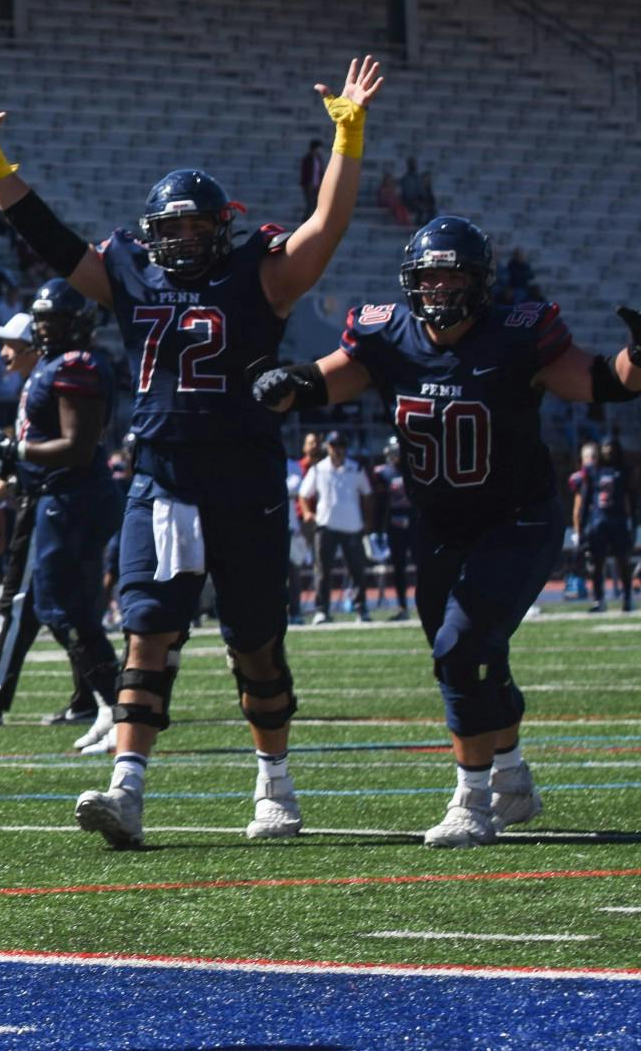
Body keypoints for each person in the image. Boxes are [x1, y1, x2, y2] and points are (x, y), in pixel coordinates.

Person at [0, 56, 385, 849]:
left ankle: (275, 780)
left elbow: (327, 229)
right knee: (149, 628)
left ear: (221, 227)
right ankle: (128, 788)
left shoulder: (264, 273)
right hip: (162, 475)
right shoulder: (129, 274)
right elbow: (49, 240)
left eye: (192, 227)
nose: (178, 240)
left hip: (243, 475)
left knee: (254, 640)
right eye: (168, 228)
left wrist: (347, 138)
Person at [254, 215, 641, 846]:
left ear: (480, 282)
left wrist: (637, 357)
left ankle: (473, 801)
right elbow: (322, 381)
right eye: (427, 276)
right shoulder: (387, 335)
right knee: (466, 655)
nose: (437, 289)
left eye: (451, 275)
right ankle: (513, 778)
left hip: (518, 519)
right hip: (440, 525)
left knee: (462, 647)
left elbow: (601, 381)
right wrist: (280, 382)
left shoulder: (519, 335)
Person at [0, 292, 107, 735]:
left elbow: (70, 448)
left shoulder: (60, 375)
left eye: (13, 344)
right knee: (47, 607)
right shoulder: (39, 385)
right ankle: (93, 697)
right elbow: (26, 463)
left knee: (36, 605)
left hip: (59, 502)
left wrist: (12, 454)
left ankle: (105, 696)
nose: (4, 352)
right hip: (49, 499)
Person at [299, 429, 372, 624]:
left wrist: (367, 521)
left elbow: (367, 494)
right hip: (326, 525)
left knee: (357, 569)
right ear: (328, 447)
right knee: (323, 570)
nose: (338, 450)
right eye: (334, 446)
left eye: (341, 446)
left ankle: (361, 608)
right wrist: (307, 512)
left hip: (352, 526)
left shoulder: (356, 468)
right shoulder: (318, 469)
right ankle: (322, 610)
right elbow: (304, 494)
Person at [573, 440, 634, 613]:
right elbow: (585, 501)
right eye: (605, 448)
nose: (608, 451)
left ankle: (627, 598)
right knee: (596, 564)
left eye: (611, 448)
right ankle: (599, 600)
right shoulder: (593, 472)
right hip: (598, 523)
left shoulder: (623, 472)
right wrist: (582, 527)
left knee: (622, 561)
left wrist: (633, 524)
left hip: (618, 522)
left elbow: (632, 500)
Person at [371, 440, 415, 619]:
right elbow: (380, 503)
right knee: (399, 566)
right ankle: (402, 606)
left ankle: (427, 602)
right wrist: (378, 528)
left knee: (423, 564)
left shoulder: (414, 470)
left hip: (414, 522)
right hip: (394, 525)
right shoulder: (383, 473)